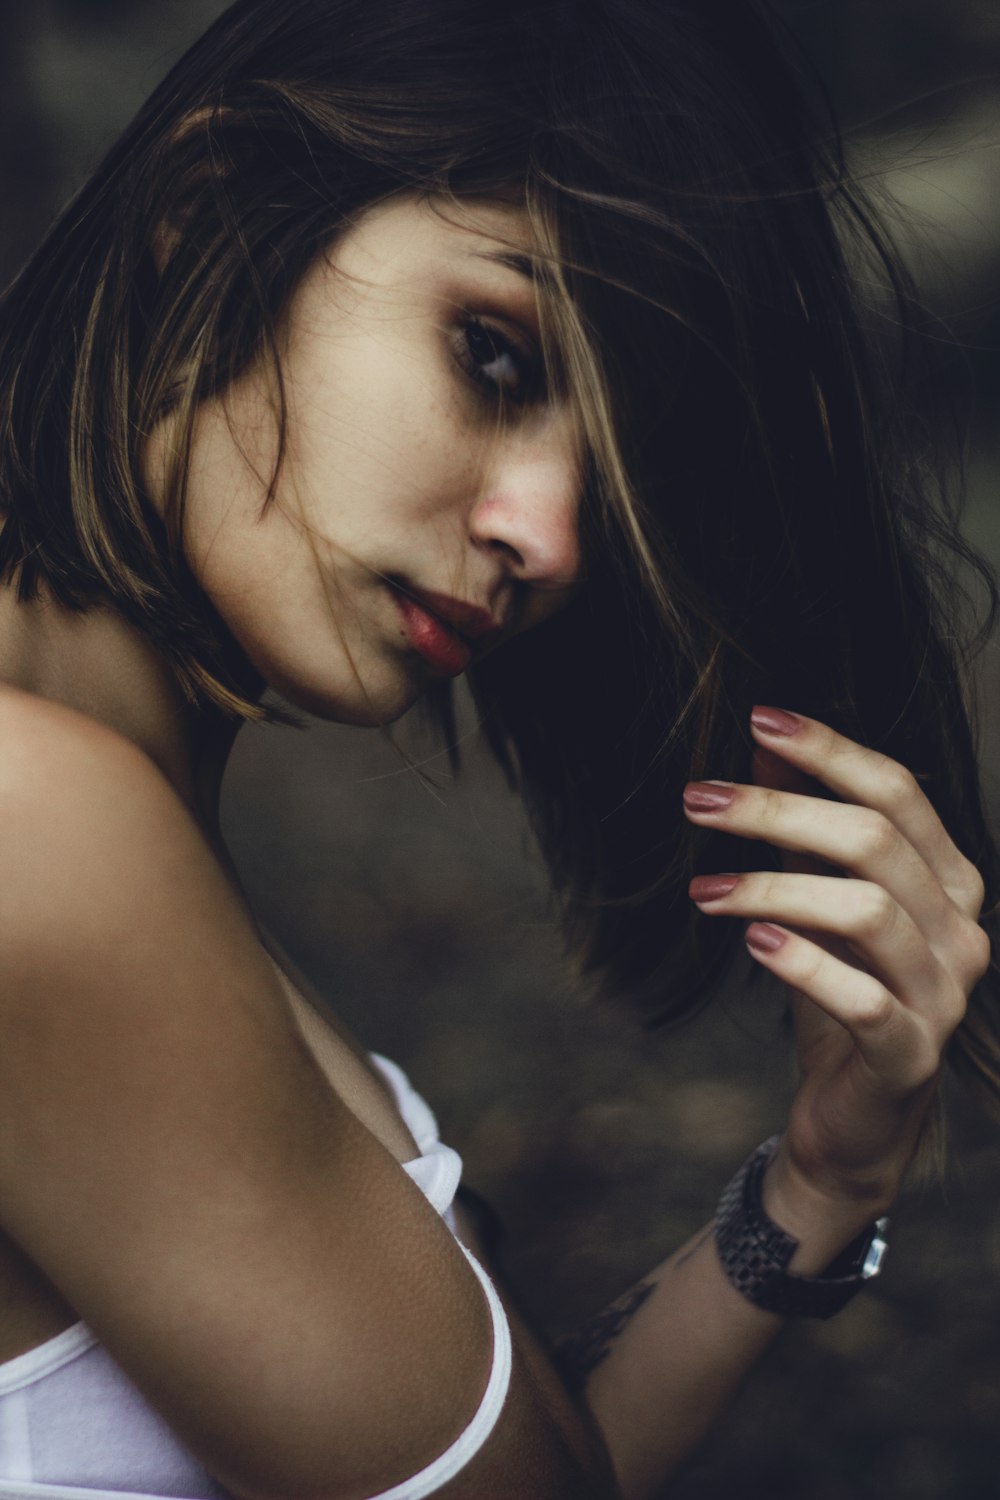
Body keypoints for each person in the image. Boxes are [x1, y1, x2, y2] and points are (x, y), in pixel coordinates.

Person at [0, 1, 996, 1497]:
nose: (547, 536)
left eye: (603, 463)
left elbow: (511, 1452)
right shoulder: (41, 824)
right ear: (213, 218)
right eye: (495, 356)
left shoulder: (109, 811)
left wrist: (818, 1185)